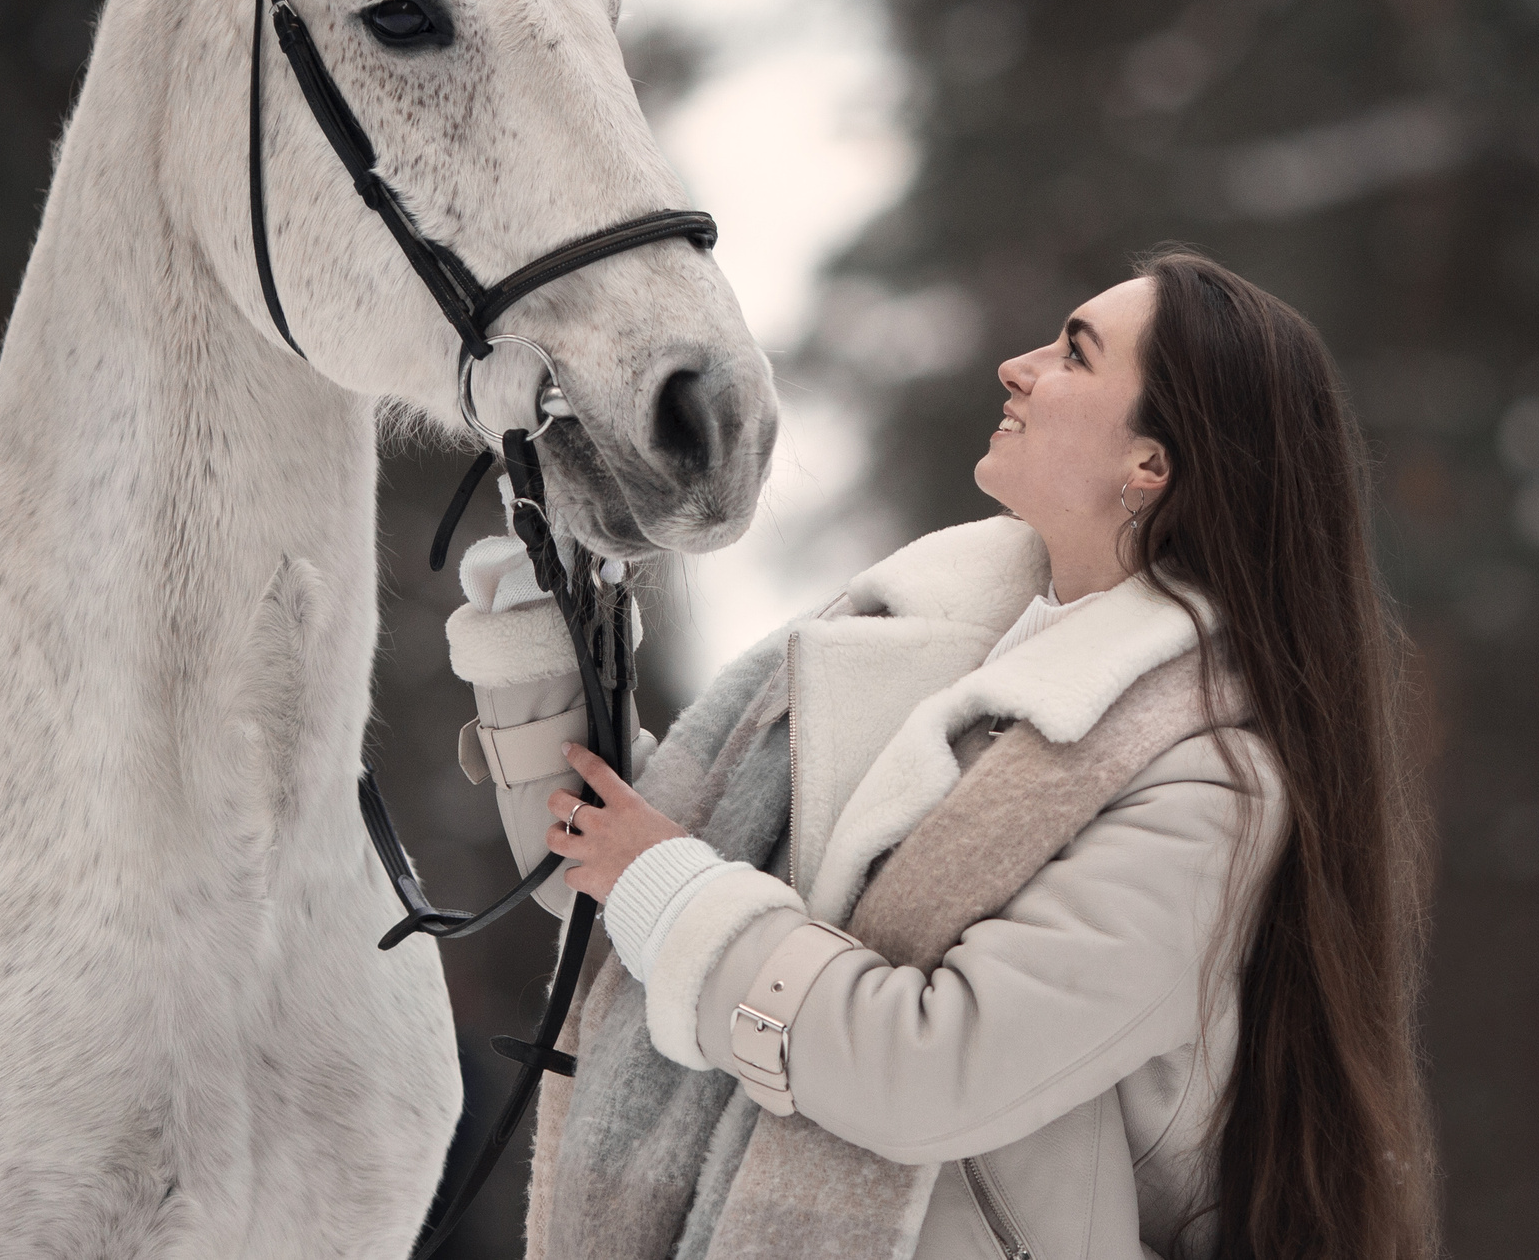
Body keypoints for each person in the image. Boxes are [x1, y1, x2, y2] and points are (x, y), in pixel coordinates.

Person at [447, 246, 1437, 1260]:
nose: (1019, 365)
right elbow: (613, 880)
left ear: (1152, 464)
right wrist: (544, 620)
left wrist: (666, 887)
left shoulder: (1205, 786)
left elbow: (928, 1068)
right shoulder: (901, 642)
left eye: (1075, 356)